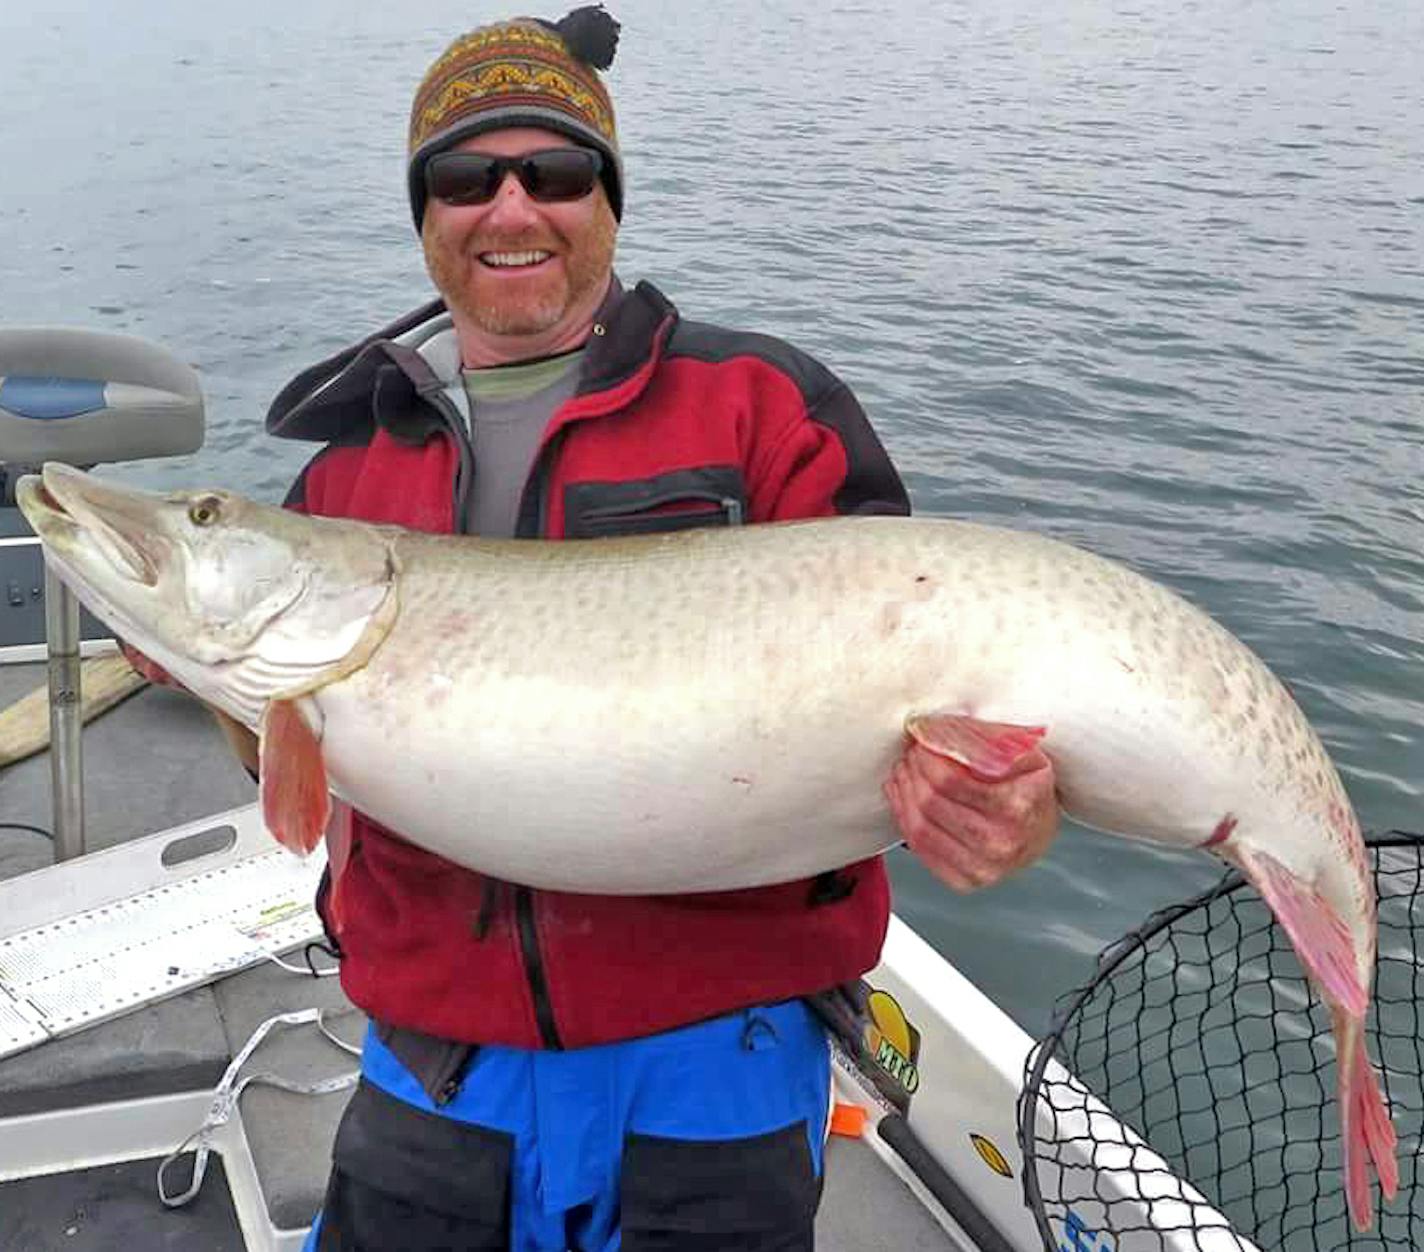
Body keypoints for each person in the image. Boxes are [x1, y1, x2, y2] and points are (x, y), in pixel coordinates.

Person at [173, 7, 1059, 1249]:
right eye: (467, 176)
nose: (513, 208)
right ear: (424, 212)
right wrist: (218, 678)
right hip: (435, 1059)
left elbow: (936, 676)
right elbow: (303, 763)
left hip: (721, 1058)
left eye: (559, 172)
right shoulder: (345, 471)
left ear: (610, 198)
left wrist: (996, 802)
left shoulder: (766, 411)